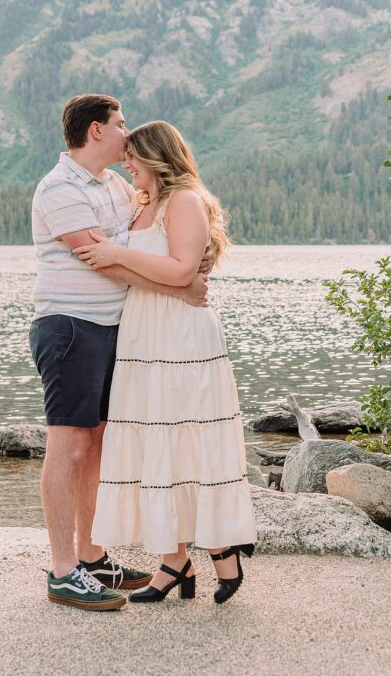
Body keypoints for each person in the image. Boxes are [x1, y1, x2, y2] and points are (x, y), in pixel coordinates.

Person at [30, 95, 213, 611]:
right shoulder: (58, 188)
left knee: (98, 444)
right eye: (120, 124)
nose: (126, 134)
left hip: (114, 330)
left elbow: (148, 244)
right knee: (68, 445)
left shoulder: (115, 186)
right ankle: (64, 570)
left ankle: (92, 557)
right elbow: (102, 261)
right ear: (95, 131)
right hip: (69, 326)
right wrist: (180, 289)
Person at [74, 120, 257, 605]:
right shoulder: (140, 204)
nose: (126, 163)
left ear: (157, 158)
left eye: (133, 156)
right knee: (155, 439)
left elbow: (181, 270)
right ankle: (174, 560)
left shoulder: (185, 201)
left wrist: (115, 252)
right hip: (142, 332)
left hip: (182, 334)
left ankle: (222, 549)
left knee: (188, 437)